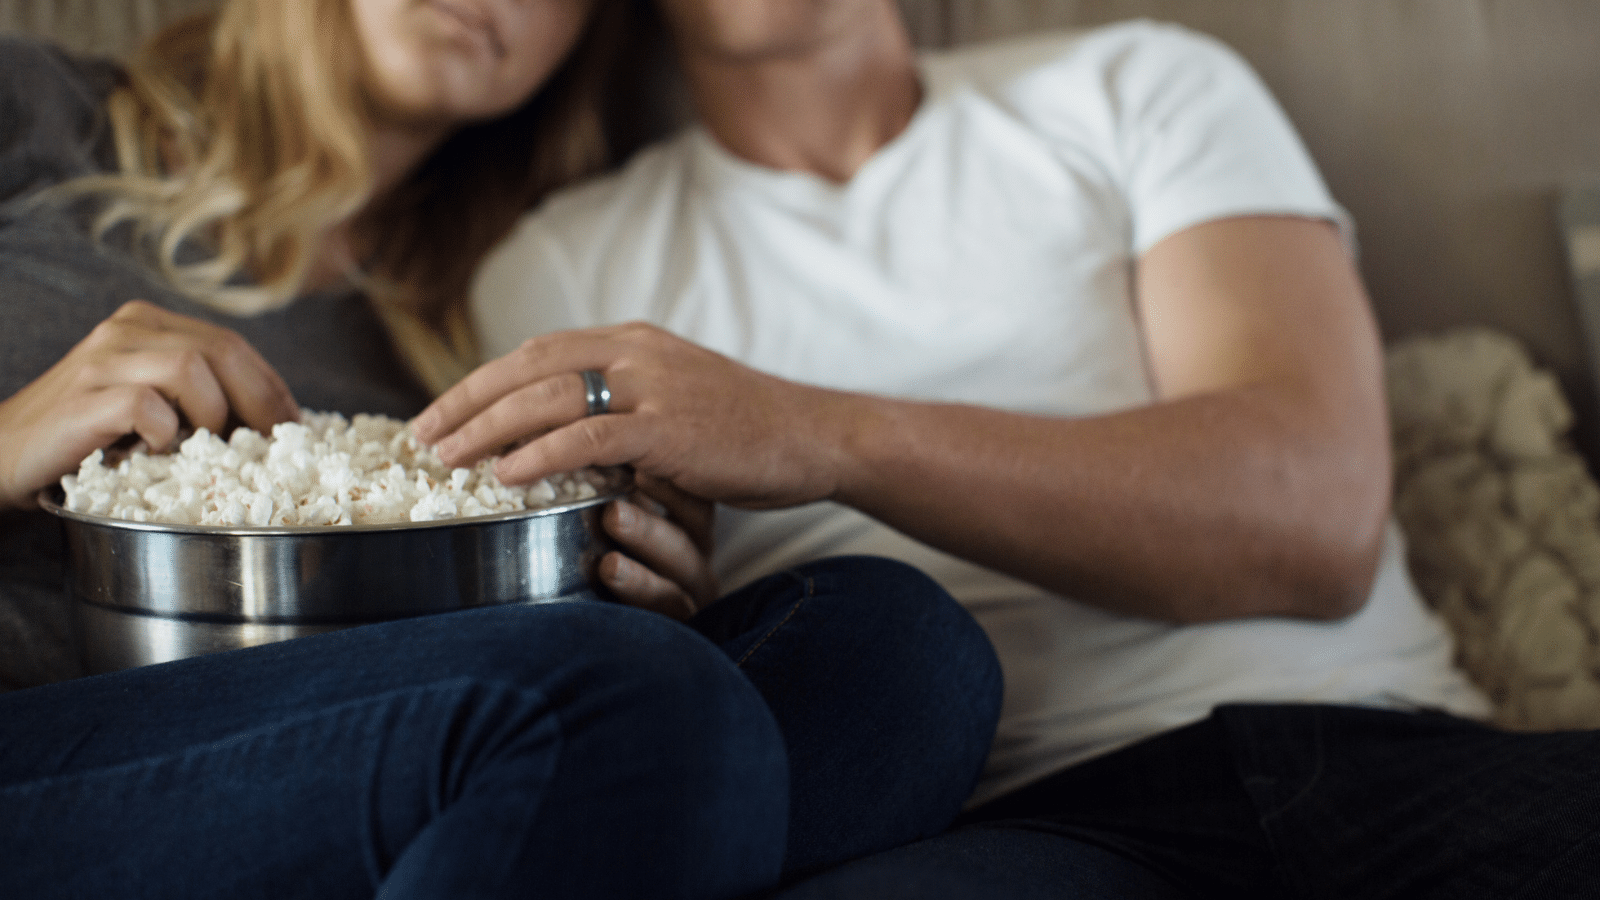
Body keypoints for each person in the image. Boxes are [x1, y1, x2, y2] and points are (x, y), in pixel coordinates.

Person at [415, 0, 1600, 895]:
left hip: (1376, 750)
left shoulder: (1139, 85)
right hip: (1008, 829)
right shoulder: (560, 266)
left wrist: (814, 430)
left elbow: (1314, 516)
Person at [0, 1, 1003, 896]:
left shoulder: (498, 298)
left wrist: (612, 571)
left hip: (344, 752)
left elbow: (453, 656)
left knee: (897, 649)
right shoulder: (31, 109)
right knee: (631, 704)